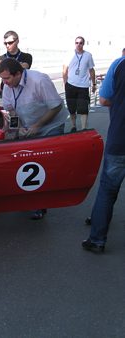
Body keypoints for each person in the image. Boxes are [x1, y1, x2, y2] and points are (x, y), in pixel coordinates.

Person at [0, 58, 69, 220]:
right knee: (27, 162)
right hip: (28, 127)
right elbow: (12, 112)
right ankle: (30, 199)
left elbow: (56, 106)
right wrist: (18, 127)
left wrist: (38, 125)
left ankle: (40, 204)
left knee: (42, 164)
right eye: (2, 79)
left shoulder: (39, 80)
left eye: (7, 78)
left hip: (50, 125)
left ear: (18, 74)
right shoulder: (8, 86)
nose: (5, 82)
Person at [82, 55, 125, 253]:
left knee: (108, 189)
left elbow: (104, 99)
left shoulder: (119, 64)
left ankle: (97, 240)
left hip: (120, 139)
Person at [0, 30, 33, 104]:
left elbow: (23, 67)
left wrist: (0, 63)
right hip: (5, 96)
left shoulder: (26, 56)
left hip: (23, 94)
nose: (7, 45)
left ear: (17, 41)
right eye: (5, 43)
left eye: (10, 43)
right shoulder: (1, 58)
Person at [62, 36, 96, 132]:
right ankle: (73, 126)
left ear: (83, 44)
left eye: (80, 43)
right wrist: (65, 84)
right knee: (71, 108)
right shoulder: (69, 55)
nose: (78, 44)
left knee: (83, 108)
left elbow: (91, 70)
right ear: (74, 43)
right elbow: (65, 69)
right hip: (70, 85)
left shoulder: (88, 55)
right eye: (76, 42)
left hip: (83, 86)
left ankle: (84, 128)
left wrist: (94, 84)